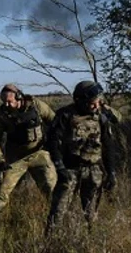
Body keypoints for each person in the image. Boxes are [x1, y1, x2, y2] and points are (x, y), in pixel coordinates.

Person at [45, 80, 118, 234]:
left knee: (91, 215)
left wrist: (111, 172)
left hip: (94, 169)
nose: (96, 105)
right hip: (70, 169)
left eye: (98, 101)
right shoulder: (65, 115)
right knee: (58, 213)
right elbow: (52, 142)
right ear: (81, 101)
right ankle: (51, 242)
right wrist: (60, 167)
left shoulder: (101, 116)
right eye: (92, 102)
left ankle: (92, 241)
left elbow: (108, 145)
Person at [0, 83, 58, 209]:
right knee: (1, 193)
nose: (6, 105)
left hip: (39, 154)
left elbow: (55, 122)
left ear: (18, 97)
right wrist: (0, 160)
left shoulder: (36, 106)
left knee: (52, 189)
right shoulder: (3, 114)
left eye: (9, 101)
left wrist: (53, 145)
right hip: (15, 157)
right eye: (4, 102)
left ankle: (55, 217)